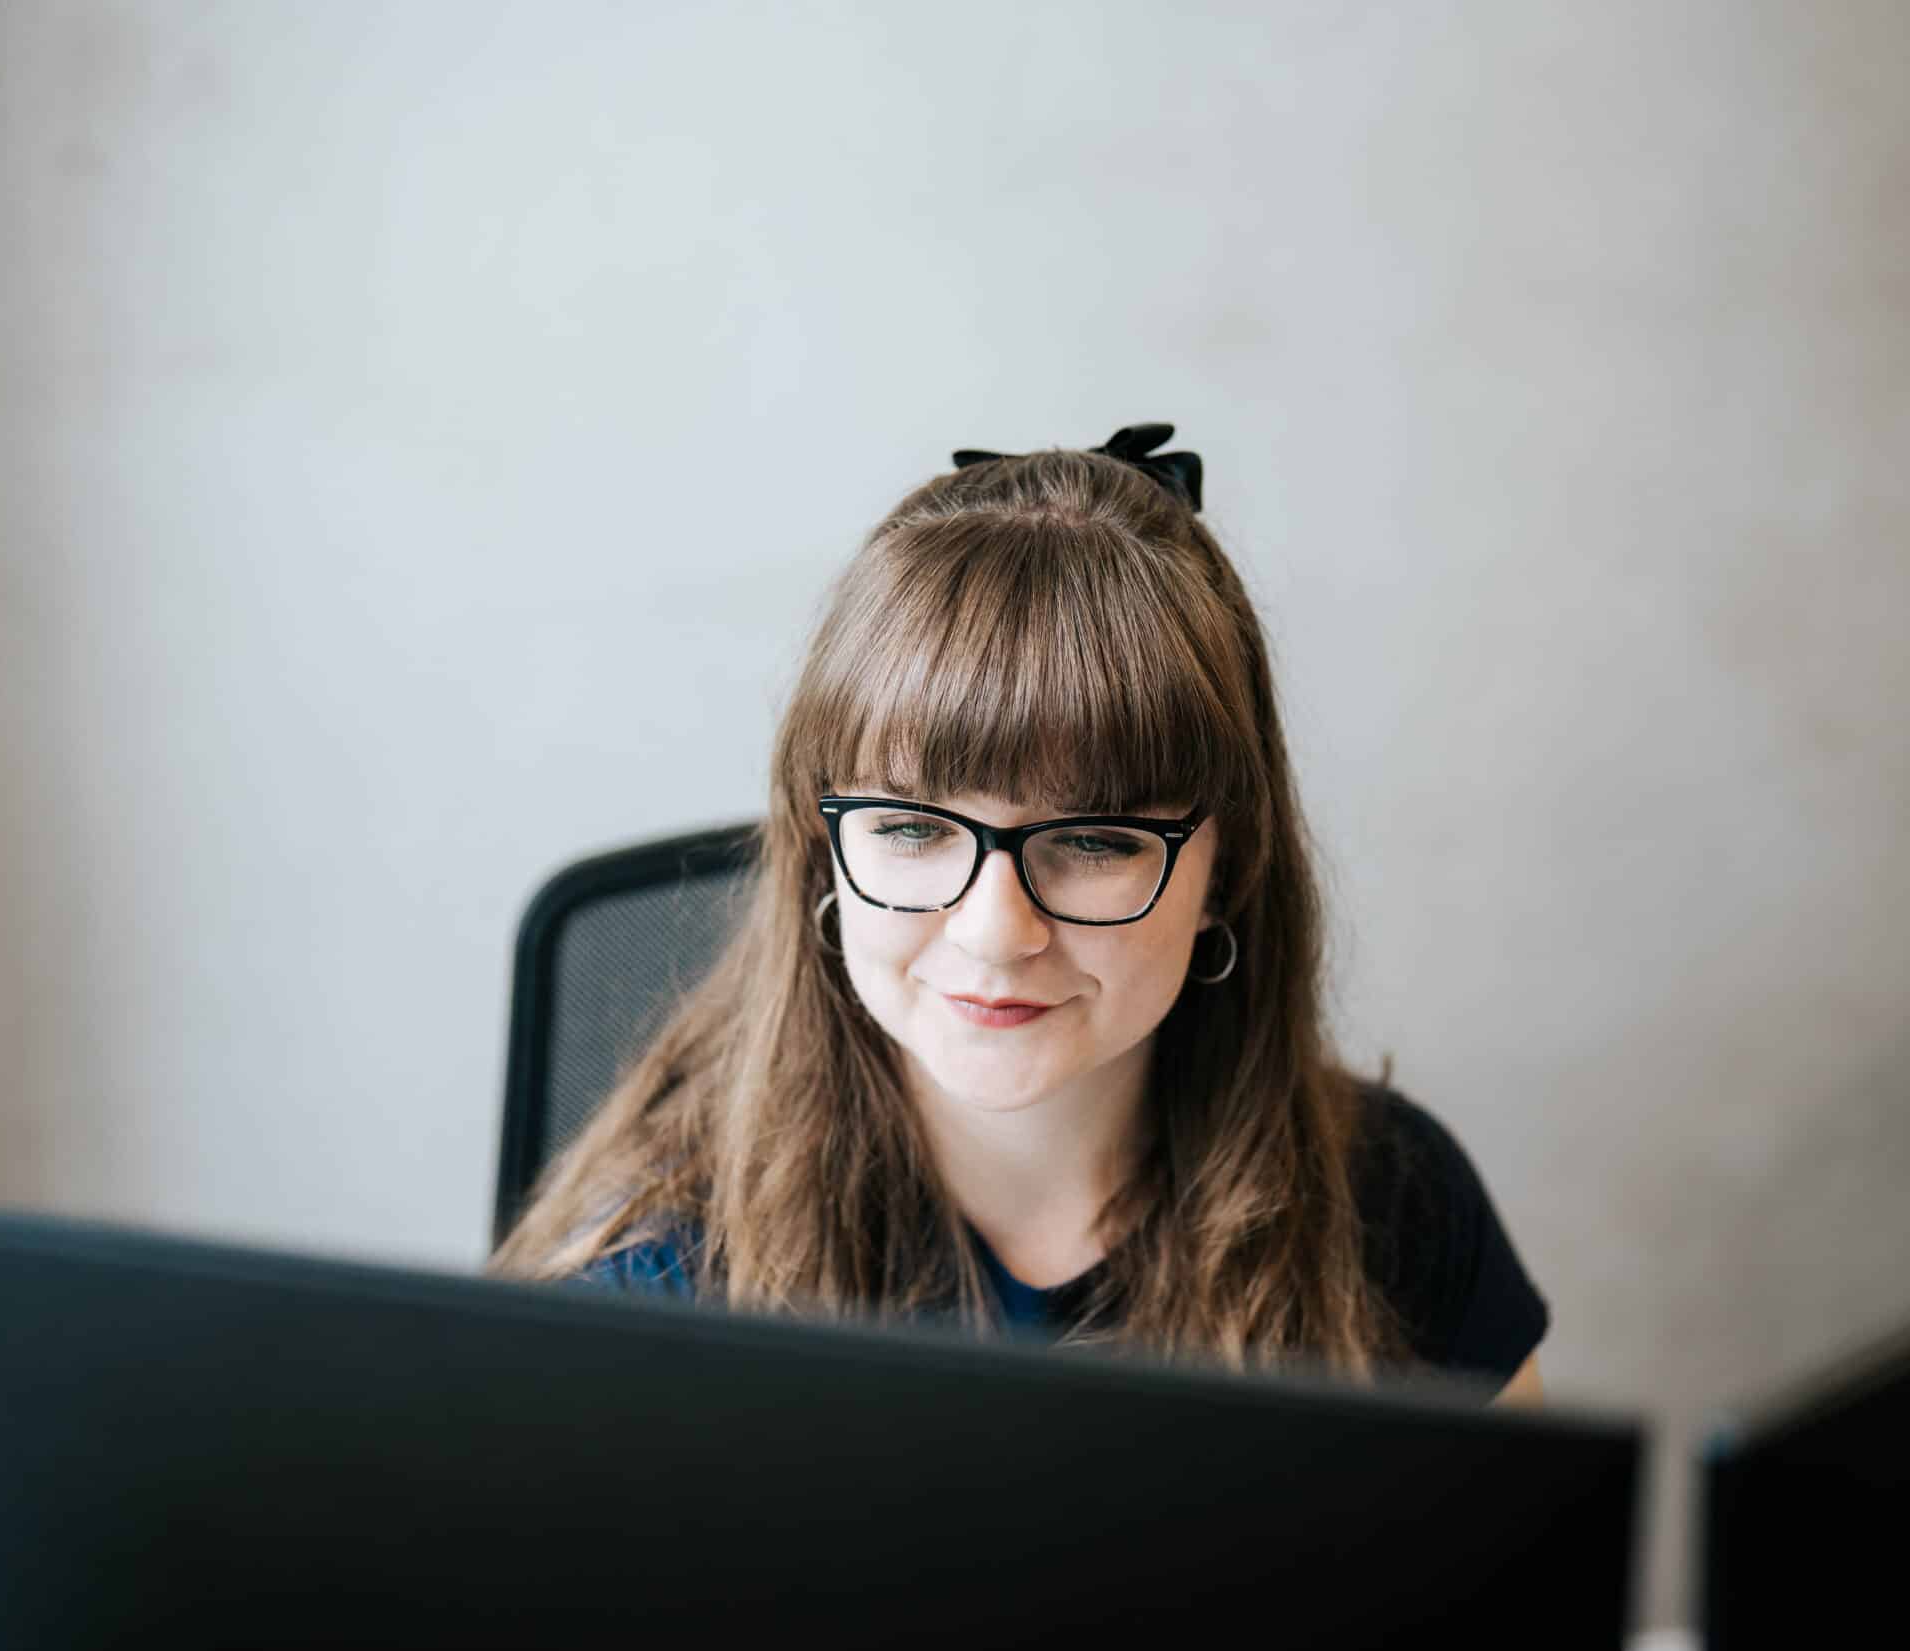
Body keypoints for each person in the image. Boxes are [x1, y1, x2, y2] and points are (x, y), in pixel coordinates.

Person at [493, 425, 1547, 1404]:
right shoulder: (651, 1276)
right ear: (824, 851)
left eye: (1093, 841)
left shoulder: (1393, 1210)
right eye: (913, 828)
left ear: (1226, 867)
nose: (995, 933)